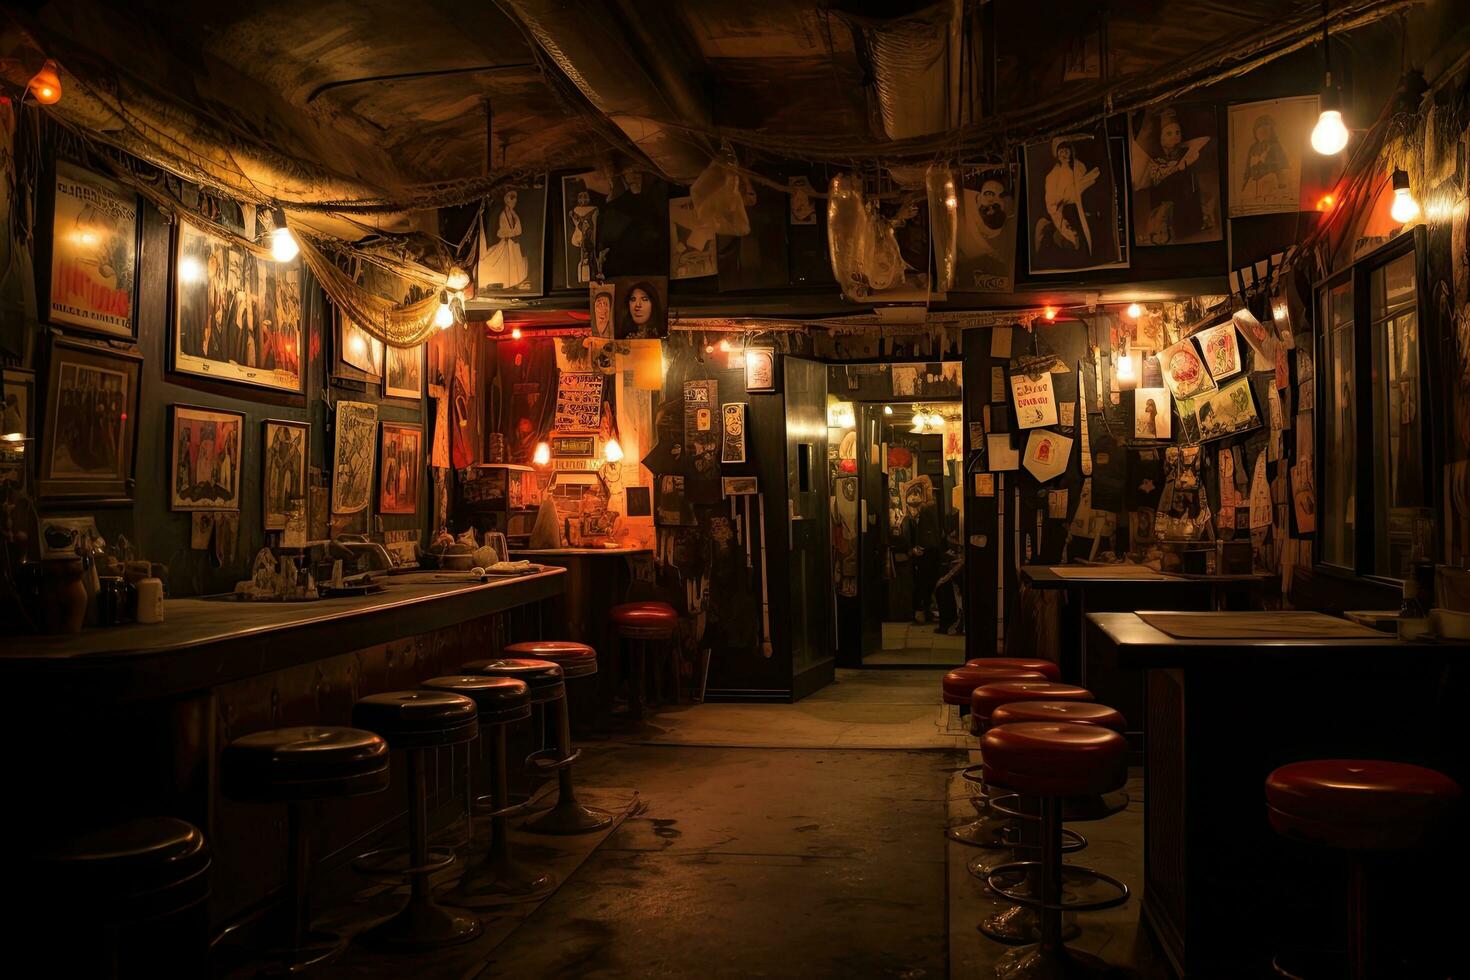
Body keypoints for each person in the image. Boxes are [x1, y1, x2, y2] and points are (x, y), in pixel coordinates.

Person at [1135, 107, 1211, 244]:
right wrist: (1167, 171)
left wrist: (1184, 166)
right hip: (1165, 195)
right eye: (1169, 134)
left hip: (1184, 194)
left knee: (1187, 201)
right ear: (1161, 138)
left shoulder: (1185, 153)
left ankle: (1191, 225)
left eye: (1177, 132)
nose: (1175, 137)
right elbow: (1153, 179)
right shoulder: (1157, 159)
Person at [1036, 137, 1102, 267]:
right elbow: (1052, 199)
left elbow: (1084, 189)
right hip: (1061, 210)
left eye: (1067, 150)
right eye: (1061, 151)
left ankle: (1086, 260)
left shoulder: (1079, 167)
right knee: (1066, 235)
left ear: (1071, 152)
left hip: (1079, 208)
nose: (1064, 153)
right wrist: (1066, 196)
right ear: (1056, 154)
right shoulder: (1052, 176)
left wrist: (1081, 188)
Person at [902, 479, 942, 624]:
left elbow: (922, 533)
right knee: (926, 584)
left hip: (925, 552)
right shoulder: (930, 509)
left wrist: (917, 548)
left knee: (922, 584)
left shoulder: (924, 510)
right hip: (929, 552)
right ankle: (923, 612)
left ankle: (921, 612)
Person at [479, 188, 528, 290]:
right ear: (506, 200)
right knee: (501, 262)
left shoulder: (511, 213)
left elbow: (518, 230)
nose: (514, 202)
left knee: (513, 263)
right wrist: (511, 234)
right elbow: (503, 231)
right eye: (512, 199)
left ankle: (512, 283)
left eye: (515, 200)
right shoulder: (503, 214)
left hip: (511, 243)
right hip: (506, 242)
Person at [1242, 114, 1288, 201]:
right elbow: (1247, 169)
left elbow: (1281, 167)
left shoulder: (1275, 147)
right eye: (1259, 128)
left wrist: (1281, 184)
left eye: (1266, 128)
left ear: (1272, 131)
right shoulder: (1252, 148)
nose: (1262, 131)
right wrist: (1244, 183)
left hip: (1269, 183)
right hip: (1253, 185)